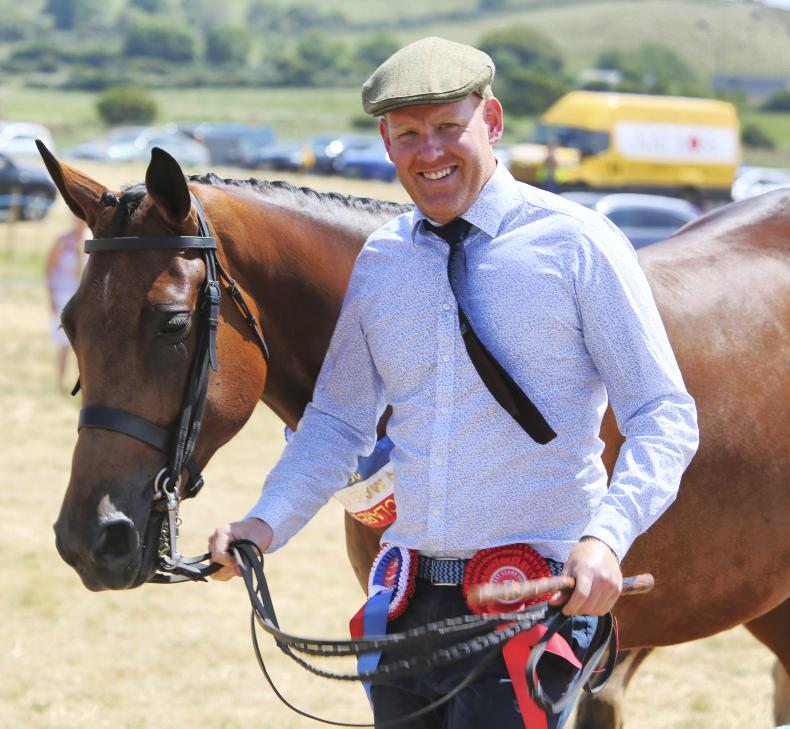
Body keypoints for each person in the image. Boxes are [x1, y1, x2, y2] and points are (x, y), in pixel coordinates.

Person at [209, 37, 699, 728]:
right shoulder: (382, 260)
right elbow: (339, 422)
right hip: (406, 603)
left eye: (448, 127)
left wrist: (607, 537)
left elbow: (663, 414)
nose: (429, 151)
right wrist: (265, 522)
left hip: (533, 599)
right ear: (386, 142)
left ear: (491, 121)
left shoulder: (579, 243)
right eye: (409, 135)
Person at [44, 216, 90, 391]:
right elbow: (49, 269)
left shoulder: (91, 239)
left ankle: (83, 384)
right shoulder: (63, 240)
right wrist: (51, 296)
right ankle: (60, 382)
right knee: (63, 341)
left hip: (84, 297)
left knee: (84, 343)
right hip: (63, 295)